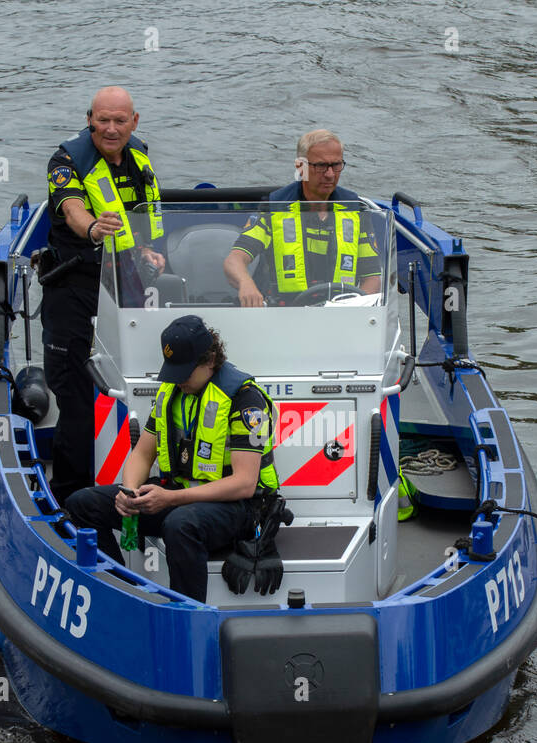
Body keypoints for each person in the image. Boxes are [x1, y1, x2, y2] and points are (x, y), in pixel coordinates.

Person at [64, 314, 280, 602]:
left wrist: (169, 498)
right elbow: (142, 453)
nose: (178, 381)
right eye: (173, 372)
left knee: (180, 525)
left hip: (237, 507)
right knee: (82, 504)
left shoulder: (244, 399)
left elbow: (244, 483)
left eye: (185, 372)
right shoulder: (171, 392)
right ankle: (116, 593)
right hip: (180, 495)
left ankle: (187, 616)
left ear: (210, 359)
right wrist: (129, 491)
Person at [41, 85, 166, 502]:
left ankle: (145, 482)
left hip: (126, 284)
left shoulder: (139, 157)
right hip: (74, 288)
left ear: (134, 122)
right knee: (74, 395)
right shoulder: (66, 161)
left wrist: (148, 249)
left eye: (119, 121)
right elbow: (74, 209)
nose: (110, 129)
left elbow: (143, 218)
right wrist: (93, 227)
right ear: (90, 119)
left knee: (142, 379)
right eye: (103, 120)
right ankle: (71, 499)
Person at [223, 129, 381, 307]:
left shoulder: (355, 210)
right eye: (321, 166)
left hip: (339, 316)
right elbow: (234, 260)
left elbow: (372, 277)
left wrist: (356, 307)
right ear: (301, 167)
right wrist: (246, 284)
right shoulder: (275, 208)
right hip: (283, 314)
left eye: (336, 165)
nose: (330, 174)